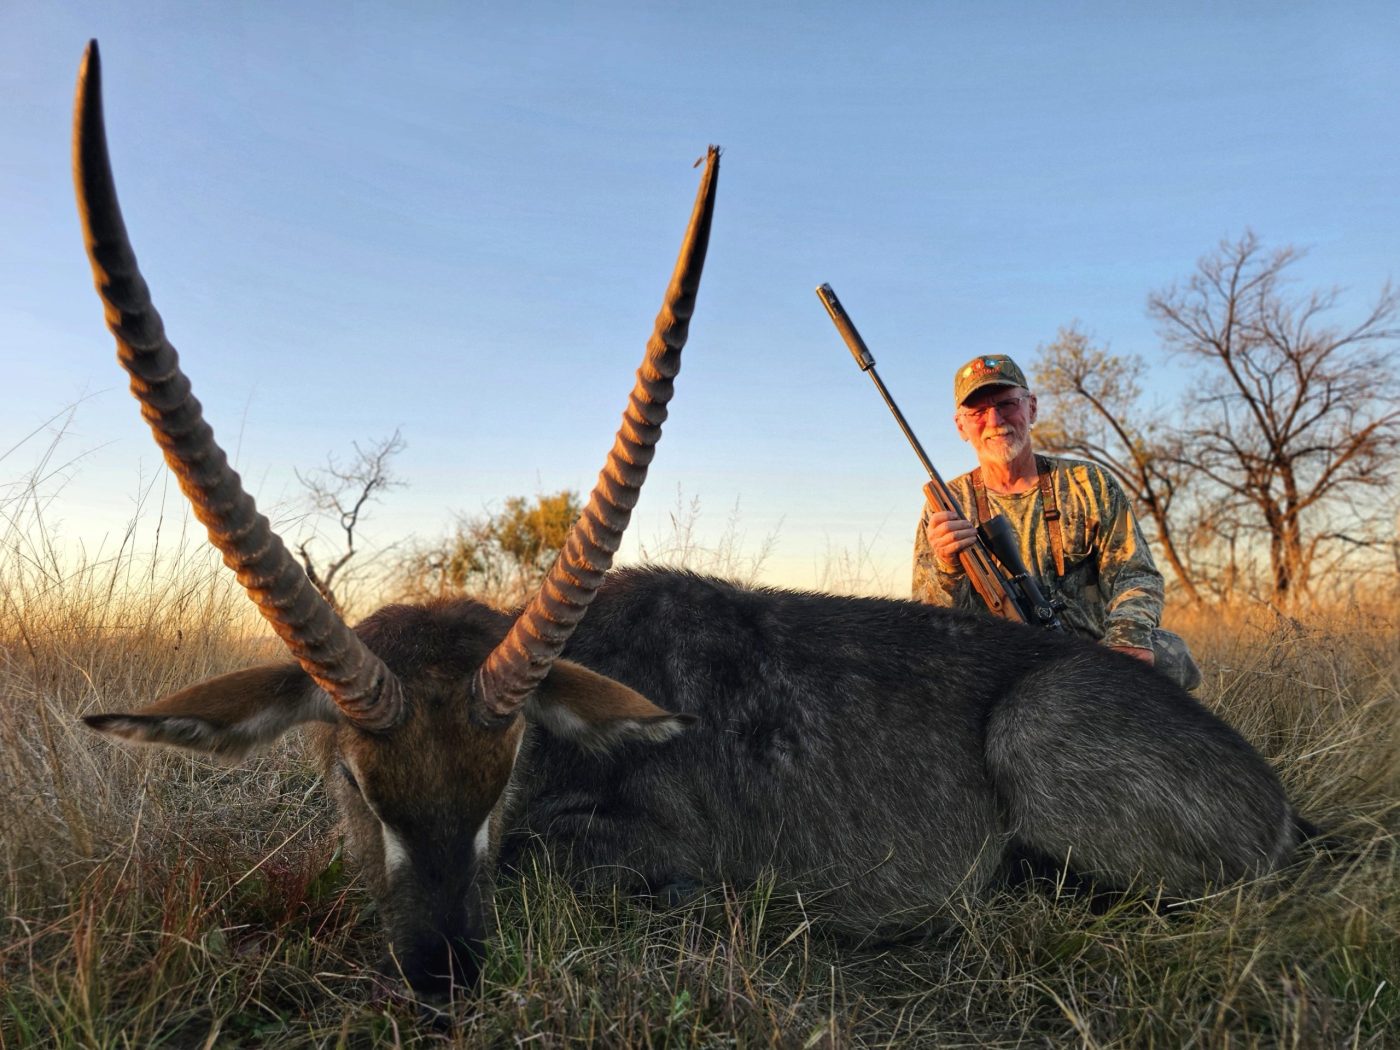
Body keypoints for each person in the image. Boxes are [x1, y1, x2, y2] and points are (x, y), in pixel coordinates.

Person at [913, 354, 1201, 691]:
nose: (995, 420)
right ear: (961, 426)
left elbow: (1135, 574)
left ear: (1032, 408)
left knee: (1171, 654)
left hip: (1089, 656)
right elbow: (927, 619)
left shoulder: (1089, 482)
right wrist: (947, 567)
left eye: (1007, 404)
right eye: (978, 412)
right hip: (997, 667)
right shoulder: (947, 506)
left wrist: (1127, 639)